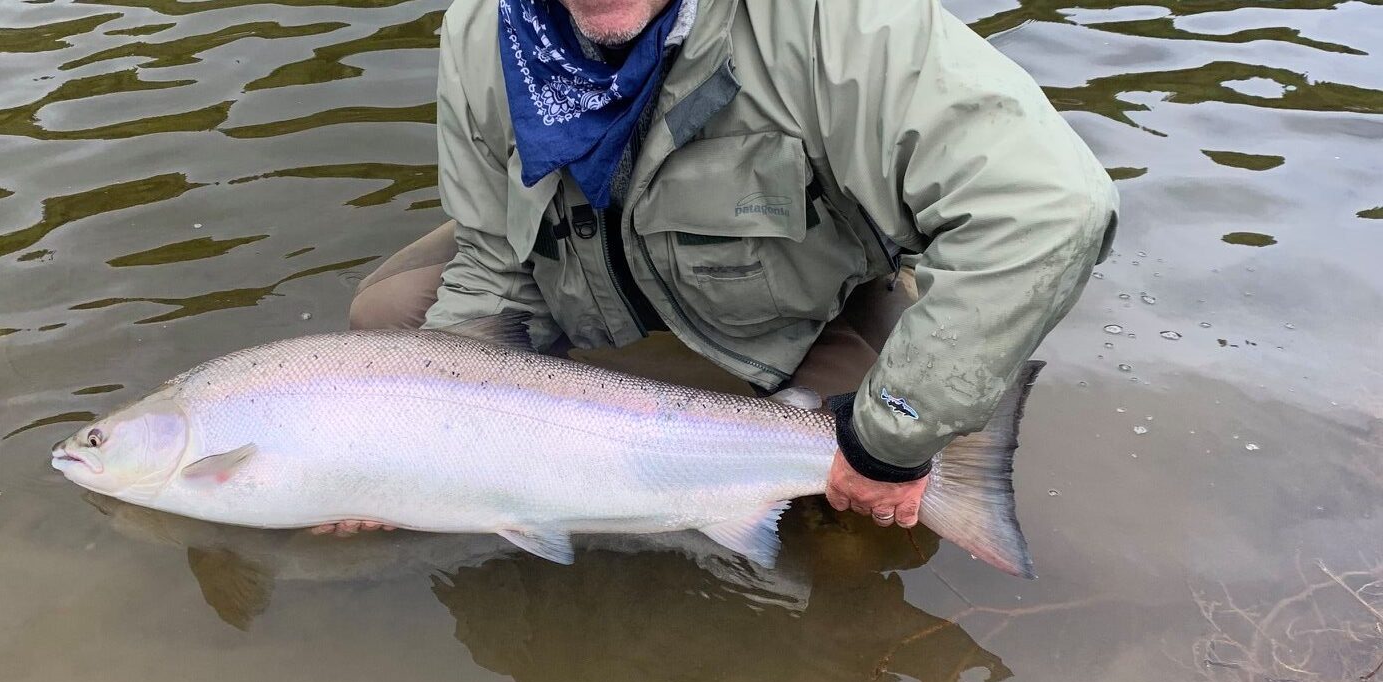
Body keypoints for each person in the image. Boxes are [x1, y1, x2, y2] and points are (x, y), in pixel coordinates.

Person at [329, 0, 1118, 537]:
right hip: (588, 282)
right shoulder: (484, 30)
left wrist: (891, 438)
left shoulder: (833, 24)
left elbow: (1050, 211)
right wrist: (420, 457)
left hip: (803, 311)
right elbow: (493, 262)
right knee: (388, 321)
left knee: (853, 524)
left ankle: (884, 430)